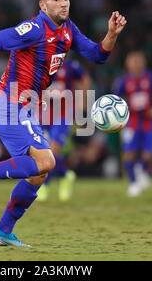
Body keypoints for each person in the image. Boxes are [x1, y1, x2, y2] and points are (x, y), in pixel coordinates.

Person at [0, 0, 126, 247]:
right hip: (9, 104)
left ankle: (2, 231)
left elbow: (97, 55)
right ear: (42, 5)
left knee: (38, 173)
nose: (63, 3)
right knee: (47, 162)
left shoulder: (68, 30)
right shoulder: (34, 29)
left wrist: (112, 34)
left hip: (25, 107)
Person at [113, 50, 152, 197]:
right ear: (127, 63)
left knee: (149, 155)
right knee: (128, 154)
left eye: (138, 60)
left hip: (150, 121)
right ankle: (133, 183)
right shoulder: (122, 81)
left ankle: (140, 169)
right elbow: (115, 101)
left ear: (144, 62)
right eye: (133, 60)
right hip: (132, 122)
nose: (136, 63)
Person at [37, 59, 91, 202]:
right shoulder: (41, 65)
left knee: (53, 150)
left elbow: (85, 79)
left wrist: (82, 101)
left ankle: (45, 185)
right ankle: (65, 174)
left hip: (64, 114)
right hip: (45, 115)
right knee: (43, 152)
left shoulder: (71, 66)